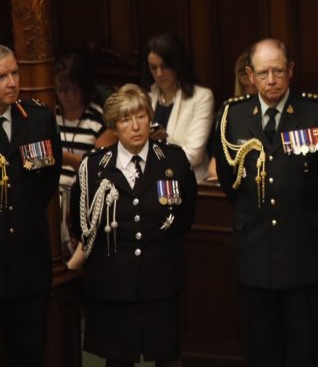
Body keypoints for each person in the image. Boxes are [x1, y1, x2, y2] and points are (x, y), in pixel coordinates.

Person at [213, 38, 318, 367]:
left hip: (306, 254)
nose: (271, 79)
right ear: (250, 74)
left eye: (277, 70)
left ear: (290, 70)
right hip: (255, 255)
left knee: (308, 351)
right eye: (263, 72)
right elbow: (232, 185)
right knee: (261, 352)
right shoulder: (233, 116)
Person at [69, 83, 197, 367]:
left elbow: (186, 215)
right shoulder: (94, 167)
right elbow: (81, 225)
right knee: (118, 360)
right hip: (113, 284)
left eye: (140, 116)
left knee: (166, 357)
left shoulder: (173, 160)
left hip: (160, 281)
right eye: (126, 119)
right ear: (114, 126)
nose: (136, 125)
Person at [0, 45, 62, 367]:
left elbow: (48, 182)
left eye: (14, 73)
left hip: (29, 264)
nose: (12, 82)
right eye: (2, 77)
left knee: (29, 354)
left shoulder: (38, 120)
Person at [55, 51, 116, 255]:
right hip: (49, 193)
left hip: (81, 195)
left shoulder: (98, 120)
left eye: (72, 89)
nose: (66, 96)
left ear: (83, 87)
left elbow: (100, 168)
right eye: (60, 90)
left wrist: (69, 160)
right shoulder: (49, 115)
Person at [142, 33, 215, 181]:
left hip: (188, 181)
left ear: (177, 64)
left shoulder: (201, 97)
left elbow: (194, 155)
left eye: (164, 66)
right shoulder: (146, 98)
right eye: (153, 68)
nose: (159, 73)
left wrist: (162, 142)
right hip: (150, 183)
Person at [207, 51, 257, 183]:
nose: (252, 91)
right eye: (246, 87)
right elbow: (213, 167)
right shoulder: (230, 114)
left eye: (255, 86)